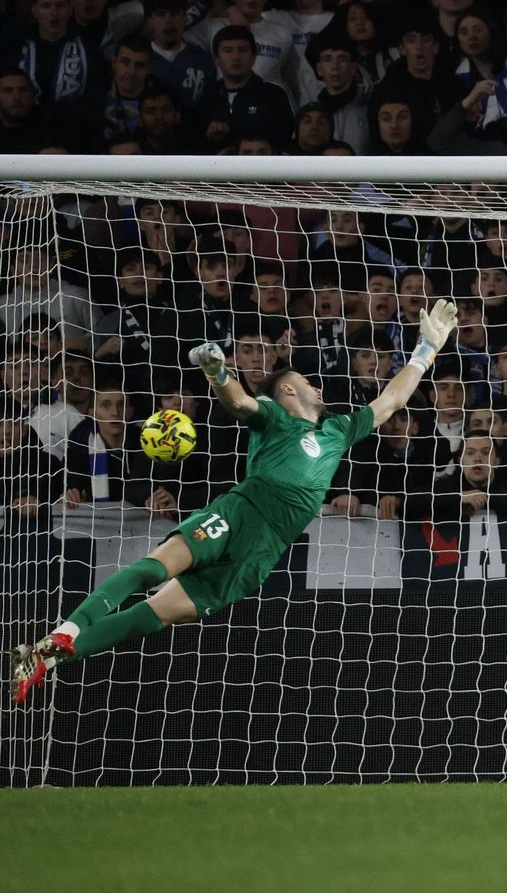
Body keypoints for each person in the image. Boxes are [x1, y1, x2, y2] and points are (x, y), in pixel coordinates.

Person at [8, 300, 460, 706]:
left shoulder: (338, 430)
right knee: (151, 570)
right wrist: (218, 374)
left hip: (262, 551)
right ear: (288, 391)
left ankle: (43, 659)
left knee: (152, 616)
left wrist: (425, 350)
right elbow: (240, 403)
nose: (318, 388)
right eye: (308, 382)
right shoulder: (275, 418)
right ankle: (65, 632)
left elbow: (392, 399)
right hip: (240, 513)